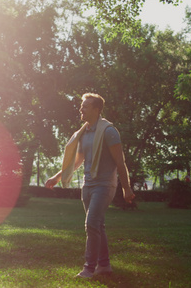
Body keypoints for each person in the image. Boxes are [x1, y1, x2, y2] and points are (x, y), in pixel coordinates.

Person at [45, 93, 135, 279]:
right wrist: (56, 177)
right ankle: (104, 265)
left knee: (91, 223)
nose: (81, 109)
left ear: (96, 109)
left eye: (85, 106)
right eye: (81, 106)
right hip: (88, 185)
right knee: (98, 226)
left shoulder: (109, 131)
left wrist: (126, 188)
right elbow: (77, 161)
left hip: (105, 185)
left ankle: (89, 268)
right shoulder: (84, 133)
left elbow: (120, 162)